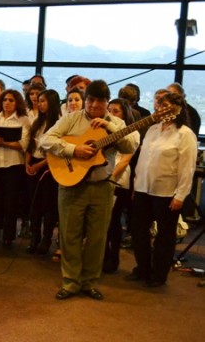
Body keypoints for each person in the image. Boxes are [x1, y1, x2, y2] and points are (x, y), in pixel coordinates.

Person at [40, 80, 139, 301]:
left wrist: (109, 128)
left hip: (103, 186)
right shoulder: (70, 119)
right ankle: (71, 281)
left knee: (97, 237)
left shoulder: (118, 122)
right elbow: (45, 140)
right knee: (69, 235)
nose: (95, 105)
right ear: (85, 100)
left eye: (100, 101)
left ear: (107, 102)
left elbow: (130, 145)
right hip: (71, 185)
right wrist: (74, 149)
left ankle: (89, 282)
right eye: (91, 100)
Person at [127, 92, 197, 287]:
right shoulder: (152, 130)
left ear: (176, 108)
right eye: (158, 104)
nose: (159, 107)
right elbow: (142, 161)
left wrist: (181, 195)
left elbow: (187, 168)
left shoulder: (185, 134)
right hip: (143, 189)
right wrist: (136, 184)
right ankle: (142, 268)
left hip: (167, 192)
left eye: (164, 104)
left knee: (164, 237)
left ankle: (158, 274)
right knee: (138, 231)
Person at [0, 89, 31, 249]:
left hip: (13, 166)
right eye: (5, 100)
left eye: (11, 100)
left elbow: (23, 144)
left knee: (10, 203)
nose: (7, 103)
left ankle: (8, 237)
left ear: (17, 102)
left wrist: (3, 143)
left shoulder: (23, 120)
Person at [25, 89, 61, 255]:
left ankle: (46, 239)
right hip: (33, 162)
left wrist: (39, 165)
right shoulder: (37, 123)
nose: (39, 104)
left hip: (48, 166)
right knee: (33, 203)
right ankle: (34, 236)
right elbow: (30, 145)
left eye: (43, 101)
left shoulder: (59, 124)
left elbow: (57, 152)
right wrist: (27, 163)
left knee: (48, 204)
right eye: (38, 101)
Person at [103, 98, 137, 273]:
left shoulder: (132, 133)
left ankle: (113, 257)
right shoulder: (104, 129)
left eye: (116, 111)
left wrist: (110, 178)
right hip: (103, 177)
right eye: (109, 110)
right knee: (102, 222)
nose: (111, 114)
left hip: (118, 180)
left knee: (113, 222)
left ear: (124, 114)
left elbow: (125, 161)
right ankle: (103, 255)